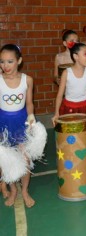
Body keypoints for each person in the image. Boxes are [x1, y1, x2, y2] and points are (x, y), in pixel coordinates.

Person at [0, 44, 36, 208]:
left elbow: (29, 103)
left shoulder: (27, 80)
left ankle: (25, 190)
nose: (5, 66)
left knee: (25, 159)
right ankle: (13, 189)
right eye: (2, 62)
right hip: (3, 122)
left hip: (20, 121)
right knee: (7, 160)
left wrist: (31, 116)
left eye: (10, 61)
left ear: (19, 61)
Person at [52, 43, 86, 126]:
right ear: (76, 56)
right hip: (68, 107)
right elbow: (60, 95)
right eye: (85, 54)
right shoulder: (66, 73)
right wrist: (56, 113)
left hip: (85, 107)